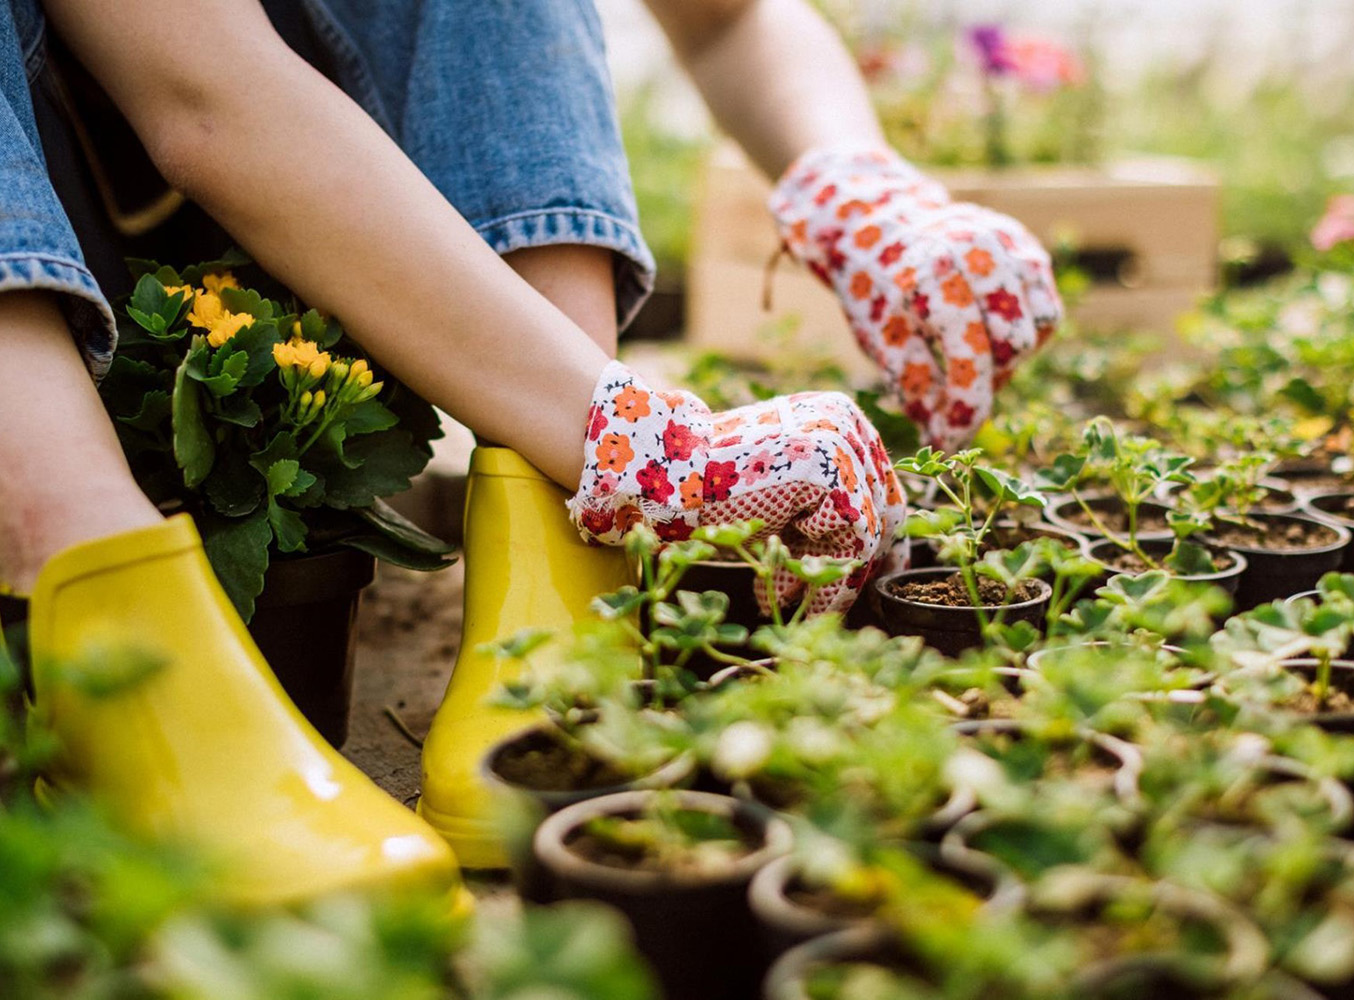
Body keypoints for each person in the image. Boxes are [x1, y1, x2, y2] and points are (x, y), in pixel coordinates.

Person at [0, 0, 1061, 898]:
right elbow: (201, 99)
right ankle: (73, 560)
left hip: (350, 260)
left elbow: (730, 17)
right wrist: (651, 446)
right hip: (63, 273)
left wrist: (860, 189)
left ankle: (551, 517)